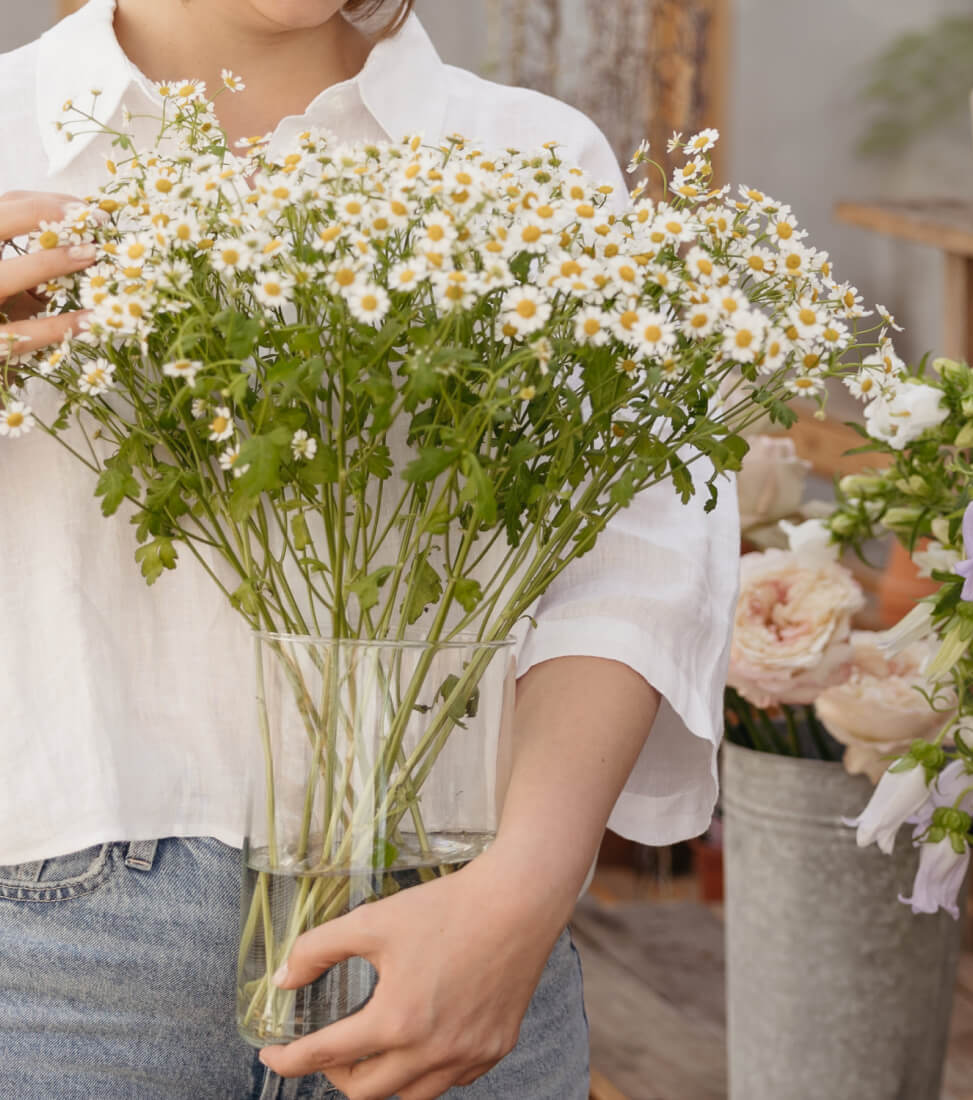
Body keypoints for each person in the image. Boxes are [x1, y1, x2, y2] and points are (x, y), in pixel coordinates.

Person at [0, 1, 739, 1098]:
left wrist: (520, 897)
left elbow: (630, 565)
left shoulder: (531, 156)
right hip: (47, 976)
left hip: (459, 938)